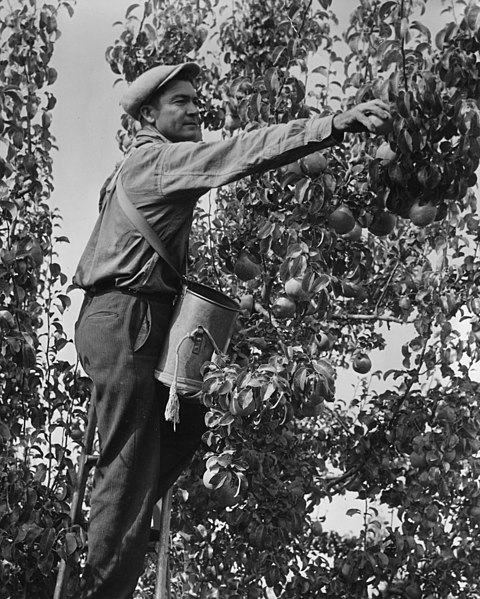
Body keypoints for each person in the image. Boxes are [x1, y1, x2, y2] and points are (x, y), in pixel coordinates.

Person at [72, 61, 391, 599]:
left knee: (182, 427)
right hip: (125, 318)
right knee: (124, 473)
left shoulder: (132, 169)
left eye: (199, 100)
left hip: (133, 317)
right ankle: (103, 584)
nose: (197, 108)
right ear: (150, 114)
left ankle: (122, 534)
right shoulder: (158, 162)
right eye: (181, 102)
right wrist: (332, 126)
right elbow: (241, 153)